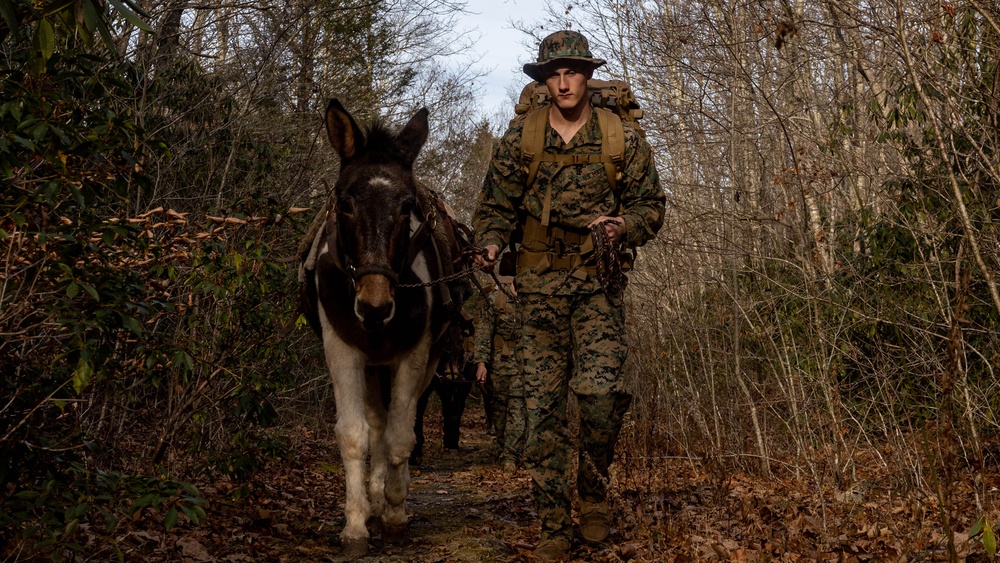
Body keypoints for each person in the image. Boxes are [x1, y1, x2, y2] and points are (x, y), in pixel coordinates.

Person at [472, 30, 665, 560]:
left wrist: (623, 225)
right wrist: (490, 241)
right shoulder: (521, 140)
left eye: (572, 71)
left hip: (597, 289)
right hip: (537, 294)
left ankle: (594, 492)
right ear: (544, 79)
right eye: (554, 73)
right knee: (542, 413)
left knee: (601, 399)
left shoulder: (619, 137)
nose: (563, 82)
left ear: (586, 76)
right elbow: (495, 206)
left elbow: (652, 206)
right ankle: (555, 524)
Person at [473, 274, 526, 476]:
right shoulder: (495, 300)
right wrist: (481, 364)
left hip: (523, 367)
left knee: (518, 412)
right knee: (499, 415)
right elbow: (484, 333)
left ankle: (510, 456)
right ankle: (503, 449)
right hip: (499, 366)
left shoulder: (533, 301)